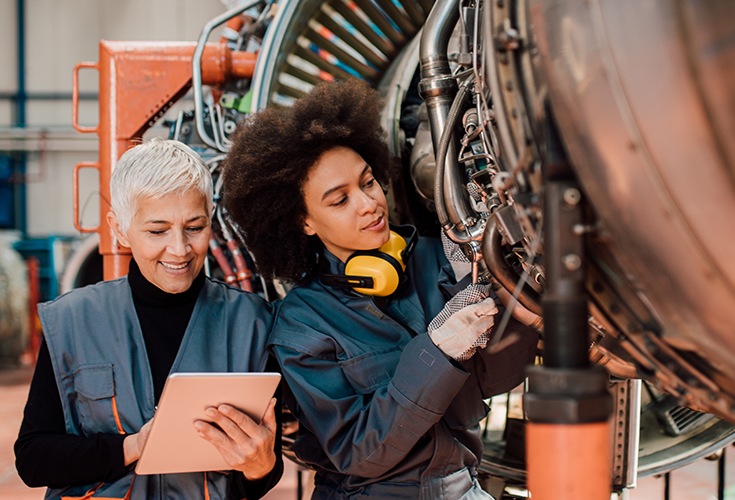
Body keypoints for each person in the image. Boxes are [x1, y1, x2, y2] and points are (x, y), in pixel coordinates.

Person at [221, 80, 539, 499]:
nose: (369, 203)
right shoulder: (302, 322)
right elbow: (358, 451)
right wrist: (437, 351)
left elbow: (493, 381)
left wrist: (520, 308)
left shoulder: (436, 259)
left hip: (463, 488)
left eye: (368, 182)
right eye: (339, 200)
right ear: (304, 222)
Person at [14, 139, 284, 500]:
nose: (179, 249)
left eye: (195, 226)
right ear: (119, 228)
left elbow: (264, 465)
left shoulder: (251, 323)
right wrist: (134, 446)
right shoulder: (72, 321)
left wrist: (260, 466)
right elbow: (33, 459)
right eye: (157, 231)